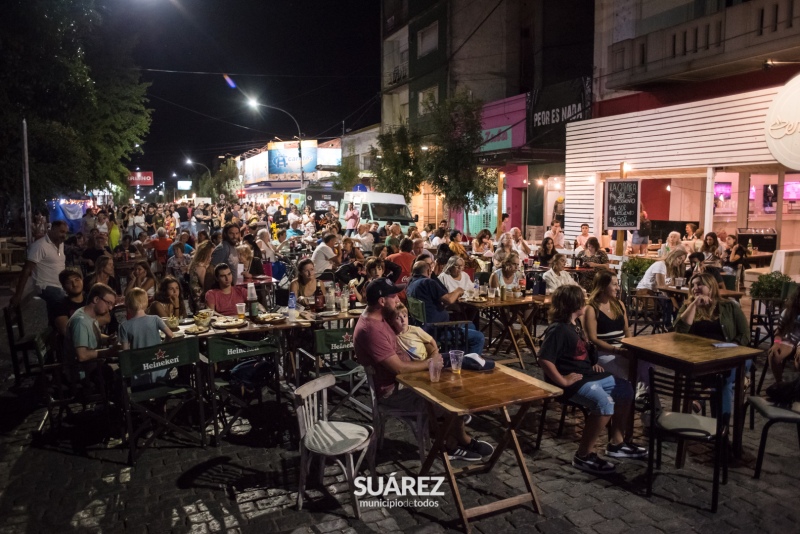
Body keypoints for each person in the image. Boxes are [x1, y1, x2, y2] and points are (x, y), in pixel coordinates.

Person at [354, 277, 493, 461]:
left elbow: (404, 334)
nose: (398, 300)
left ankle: (457, 439)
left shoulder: (380, 318)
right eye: (394, 297)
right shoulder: (371, 330)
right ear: (381, 301)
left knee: (457, 379)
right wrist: (431, 363)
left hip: (407, 380)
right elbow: (399, 369)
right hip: (394, 392)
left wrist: (429, 348)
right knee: (452, 396)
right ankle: (453, 444)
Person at [539, 284, 644, 474]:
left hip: (587, 374)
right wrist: (562, 381)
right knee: (604, 404)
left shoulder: (574, 325)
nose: (586, 299)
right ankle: (583, 455)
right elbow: (545, 359)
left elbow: (580, 352)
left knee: (626, 389)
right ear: (574, 303)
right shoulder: (558, 329)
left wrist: (592, 362)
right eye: (582, 297)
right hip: (572, 381)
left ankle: (616, 443)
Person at [673, 272, 750, 417]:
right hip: (703, 359)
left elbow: (745, 335)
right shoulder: (688, 307)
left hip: (733, 356)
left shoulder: (729, 306)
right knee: (722, 382)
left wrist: (730, 348)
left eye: (700, 284)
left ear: (711, 286)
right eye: (693, 285)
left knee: (725, 375)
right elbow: (678, 331)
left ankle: (703, 396)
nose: (695, 288)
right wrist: (694, 304)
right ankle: (721, 431)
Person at [584, 271, 649, 391]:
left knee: (646, 363)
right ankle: (632, 394)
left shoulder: (619, 304)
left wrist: (630, 346)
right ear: (602, 287)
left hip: (622, 349)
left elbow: (626, 330)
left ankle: (648, 399)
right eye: (614, 284)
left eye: (617, 284)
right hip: (604, 352)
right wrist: (617, 350)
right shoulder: (591, 308)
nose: (618, 288)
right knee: (630, 369)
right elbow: (593, 339)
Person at [407, 260, 485, 355]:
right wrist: (458, 290)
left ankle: (458, 357)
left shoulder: (411, 284)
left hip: (423, 327)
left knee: (471, 326)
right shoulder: (427, 282)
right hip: (437, 330)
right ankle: (469, 363)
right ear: (428, 271)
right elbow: (449, 299)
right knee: (479, 337)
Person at [11, 220, 69, 309]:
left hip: (60, 285)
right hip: (45, 286)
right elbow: (26, 270)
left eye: (65, 233)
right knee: (64, 301)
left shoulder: (60, 244)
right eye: (61, 232)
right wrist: (18, 295)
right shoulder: (40, 246)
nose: (64, 235)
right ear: (52, 229)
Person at [64, 283, 119, 366]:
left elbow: (90, 336)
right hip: (85, 373)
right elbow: (82, 356)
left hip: (95, 366)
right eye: (108, 303)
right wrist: (108, 352)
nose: (110, 308)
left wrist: (108, 339)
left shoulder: (88, 315)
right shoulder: (80, 321)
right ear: (96, 299)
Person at [768, 288, 800, 385]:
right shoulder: (789, 311)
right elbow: (779, 331)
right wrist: (776, 343)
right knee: (774, 354)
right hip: (790, 339)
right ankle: (779, 384)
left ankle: (797, 387)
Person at [52, 270, 86, 337]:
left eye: (77, 279)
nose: (74, 284)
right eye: (69, 282)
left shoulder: (90, 299)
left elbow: (106, 318)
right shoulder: (60, 305)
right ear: (64, 287)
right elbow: (66, 331)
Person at [188, 241, 215, 313]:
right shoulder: (201, 267)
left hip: (194, 298)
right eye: (210, 255)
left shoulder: (195, 264)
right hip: (201, 300)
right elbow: (206, 286)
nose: (211, 258)